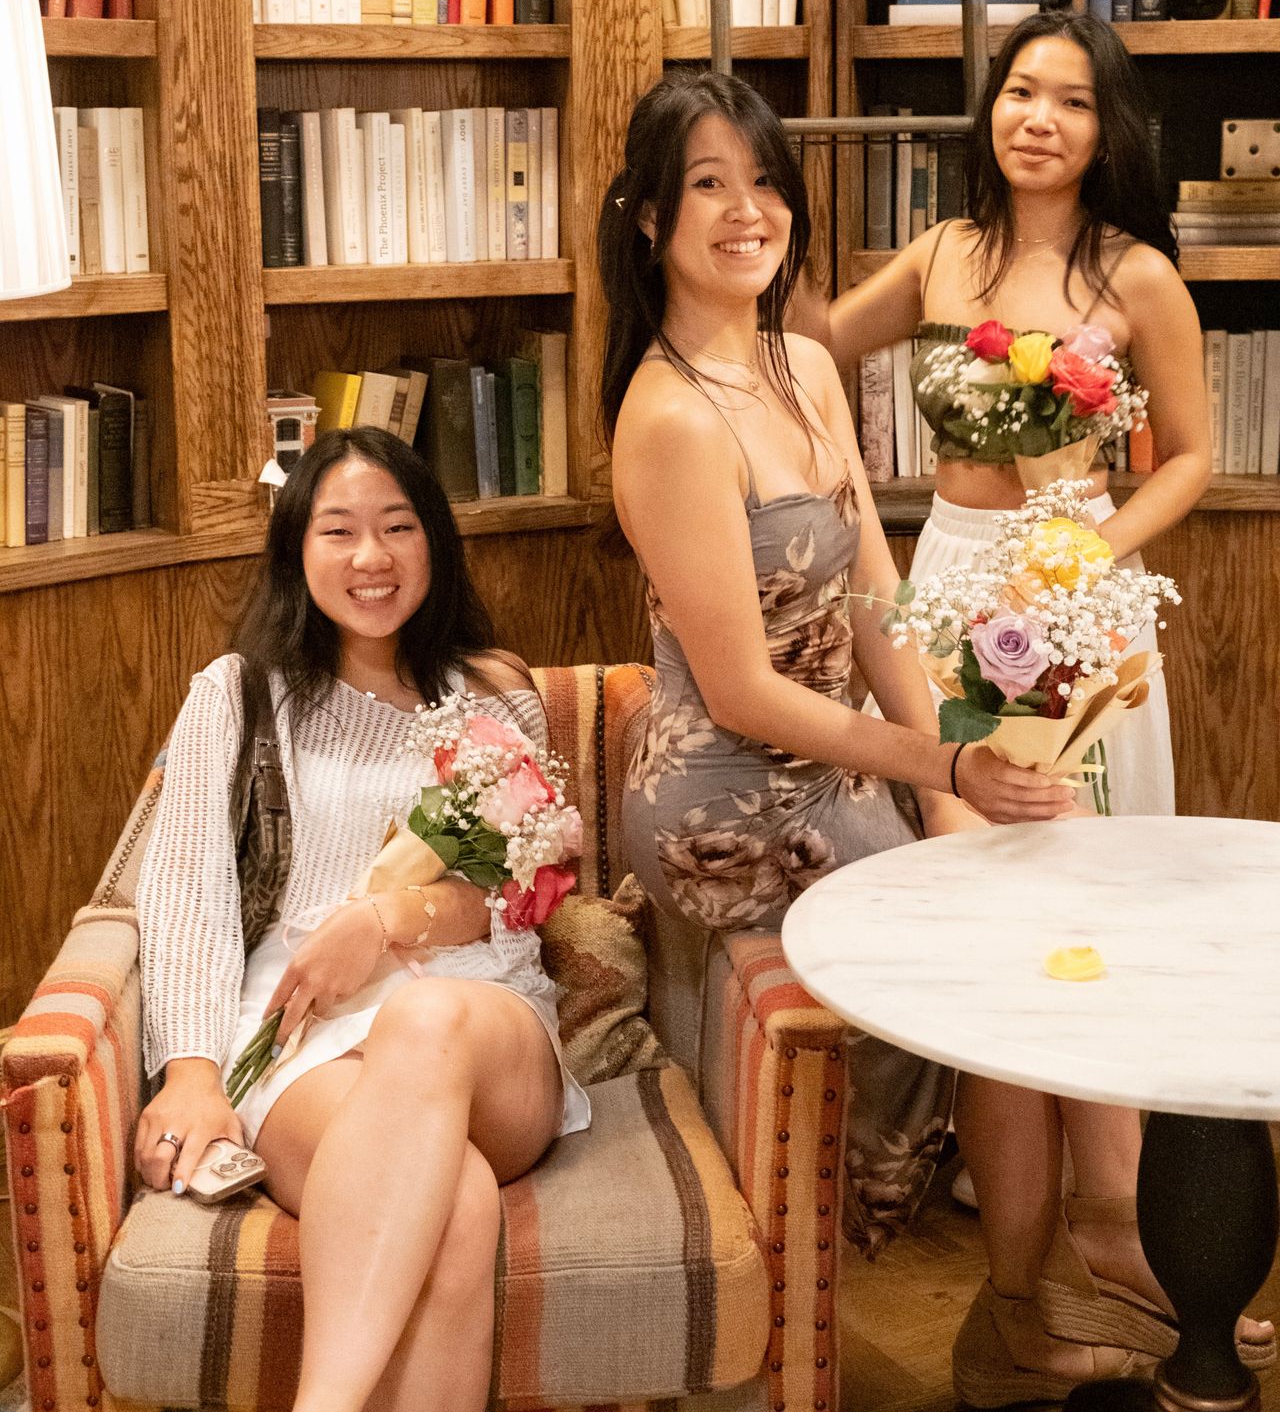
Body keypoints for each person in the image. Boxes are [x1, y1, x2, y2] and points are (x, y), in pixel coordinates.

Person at [597, 70, 1270, 1404]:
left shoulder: (798, 366)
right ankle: (1038, 1294)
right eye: (708, 185)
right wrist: (942, 769)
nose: (746, 210)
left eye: (764, 180)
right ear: (651, 218)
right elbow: (741, 694)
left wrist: (962, 777)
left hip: (832, 760)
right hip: (727, 801)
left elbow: (874, 596)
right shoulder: (666, 414)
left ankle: (1077, 1252)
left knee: (1045, 878)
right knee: (990, 951)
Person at [133, 427, 589, 1412]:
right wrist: (193, 1075)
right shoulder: (238, 695)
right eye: (338, 530)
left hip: (479, 1017)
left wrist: (384, 920)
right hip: (303, 1029)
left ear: (435, 541)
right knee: (455, 1206)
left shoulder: (488, 697)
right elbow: (182, 888)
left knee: (423, 1019)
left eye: (397, 526)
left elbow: (520, 902)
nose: (370, 556)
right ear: (296, 550)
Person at [817, 9, 1211, 817]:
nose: (1039, 119)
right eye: (1021, 92)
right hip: (948, 561)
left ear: (1108, 132)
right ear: (991, 106)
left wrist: (1092, 553)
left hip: (1077, 577)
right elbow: (814, 343)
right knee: (952, 810)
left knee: (1075, 813)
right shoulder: (940, 251)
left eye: (1074, 102)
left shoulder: (1139, 274)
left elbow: (1189, 456)